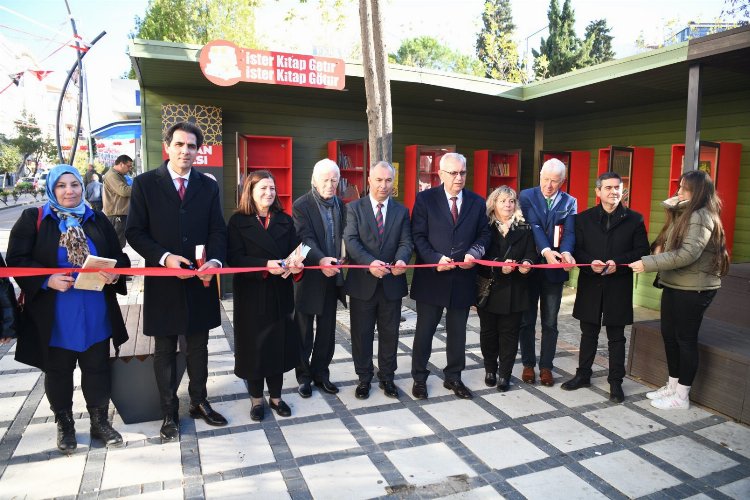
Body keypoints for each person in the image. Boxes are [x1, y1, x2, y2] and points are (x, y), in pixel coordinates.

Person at [4, 164, 129, 453]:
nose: (69, 191)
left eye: (74, 185)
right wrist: (46, 279)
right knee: (58, 370)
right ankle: (65, 423)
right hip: (56, 312)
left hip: (95, 308)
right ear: (51, 188)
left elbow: (118, 256)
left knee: (96, 367)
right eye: (61, 185)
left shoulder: (96, 218)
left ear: (82, 188)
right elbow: (16, 260)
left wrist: (115, 272)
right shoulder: (34, 218)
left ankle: (99, 422)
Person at [126, 122, 228, 441]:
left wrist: (215, 260)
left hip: (200, 281)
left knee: (199, 346)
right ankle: (169, 411)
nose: (186, 151)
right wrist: (165, 257)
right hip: (164, 282)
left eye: (192, 146)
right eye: (180, 144)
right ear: (167, 146)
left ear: (199, 151)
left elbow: (217, 230)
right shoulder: (145, 184)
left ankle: (198, 401)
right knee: (165, 348)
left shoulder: (208, 186)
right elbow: (134, 232)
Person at [629, 170, 728, 410]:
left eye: (685, 189)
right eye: (679, 187)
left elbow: (687, 254)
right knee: (670, 336)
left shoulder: (701, 216)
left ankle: (682, 395)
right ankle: (672, 385)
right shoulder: (686, 213)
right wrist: (674, 209)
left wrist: (648, 263)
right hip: (676, 284)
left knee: (685, 339)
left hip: (694, 289)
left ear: (699, 192)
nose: (678, 192)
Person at [561, 172, 649, 403]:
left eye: (617, 188)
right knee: (588, 332)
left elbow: (642, 251)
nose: (613, 192)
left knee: (616, 337)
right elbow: (577, 250)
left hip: (618, 284)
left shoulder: (635, 219)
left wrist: (617, 264)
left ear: (623, 191)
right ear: (598, 192)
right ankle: (583, 375)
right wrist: (591, 263)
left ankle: (615, 382)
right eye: (608, 188)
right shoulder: (583, 219)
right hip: (591, 281)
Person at [410, 152, 490, 400]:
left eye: (463, 173)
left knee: (458, 332)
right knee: (425, 331)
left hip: (463, 278)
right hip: (433, 277)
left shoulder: (477, 202)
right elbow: (418, 236)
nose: (459, 177)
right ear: (441, 174)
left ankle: (454, 377)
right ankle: (419, 378)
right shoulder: (425, 200)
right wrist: (435, 259)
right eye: (453, 173)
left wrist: (474, 254)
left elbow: (484, 235)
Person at [228, 170, 303, 421]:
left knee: (277, 347)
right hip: (252, 295)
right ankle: (256, 400)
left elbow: (296, 249)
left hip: (279, 293)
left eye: (272, 188)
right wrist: (264, 265)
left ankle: (277, 397)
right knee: (254, 349)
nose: (269, 193)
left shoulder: (284, 219)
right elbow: (235, 258)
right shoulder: (238, 221)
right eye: (263, 188)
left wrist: (297, 264)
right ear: (250, 191)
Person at [343, 161, 413, 400]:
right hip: (363, 283)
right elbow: (351, 241)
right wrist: (369, 263)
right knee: (361, 335)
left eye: (388, 180)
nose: (384, 185)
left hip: (392, 284)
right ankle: (364, 378)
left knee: (390, 334)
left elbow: (406, 242)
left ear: (393, 183)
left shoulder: (401, 211)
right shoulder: (354, 208)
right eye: (379, 180)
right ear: (369, 180)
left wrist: (402, 260)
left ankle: (387, 378)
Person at [518, 158, 577, 387]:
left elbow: (570, 232)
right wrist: (546, 251)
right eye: (545, 179)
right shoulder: (527, 196)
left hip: (554, 271)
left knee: (550, 322)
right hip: (530, 266)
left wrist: (566, 253)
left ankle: (546, 367)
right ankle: (528, 364)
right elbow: (533, 226)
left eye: (554, 181)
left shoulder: (570, 201)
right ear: (539, 176)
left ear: (562, 181)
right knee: (527, 319)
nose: (548, 186)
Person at [292, 158, 347, 398]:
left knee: (327, 331)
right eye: (325, 179)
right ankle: (303, 377)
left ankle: (321, 373)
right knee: (303, 331)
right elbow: (305, 238)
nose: (330, 184)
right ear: (314, 180)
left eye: (334, 179)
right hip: (310, 276)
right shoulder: (301, 205)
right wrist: (322, 259)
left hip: (332, 277)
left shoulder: (343, 206)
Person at [476, 186, 536, 392]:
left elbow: (531, 253)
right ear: (494, 204)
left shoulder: (524, 228)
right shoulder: (485, 227)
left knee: (509, 335)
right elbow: (481, 256)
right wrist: (499, 264)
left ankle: (504, 374)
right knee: (489, 333)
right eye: (503, 201)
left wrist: (526, 263)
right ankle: (490, 369)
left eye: (511, 201)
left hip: (516, 290)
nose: (508, 205)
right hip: (491, 290)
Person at [102, 155, 133, 248]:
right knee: (117, 243)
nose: (129, 168)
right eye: (128, 166)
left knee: (119, 242)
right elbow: (123, 191)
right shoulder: (112, 175)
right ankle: (117, 262)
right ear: (121, 164)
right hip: (116, 214)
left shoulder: (117, 175)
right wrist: (140, 187)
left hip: (118, 213)